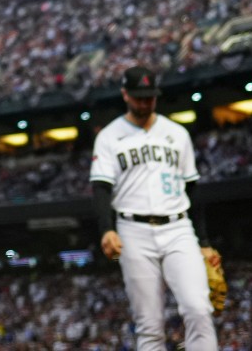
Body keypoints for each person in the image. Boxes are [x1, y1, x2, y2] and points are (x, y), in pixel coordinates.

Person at [90, 65, 217, 351]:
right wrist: (106, 229)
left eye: (150, 97)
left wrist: (205, 242)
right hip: (132, 230)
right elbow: (100, 187)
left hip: (178, 227)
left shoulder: (177, 133)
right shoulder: (109, 137)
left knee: (199, 309)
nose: (145, 102)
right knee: (149, 324)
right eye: (139, 97)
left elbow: (192, 188)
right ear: (125, 95)